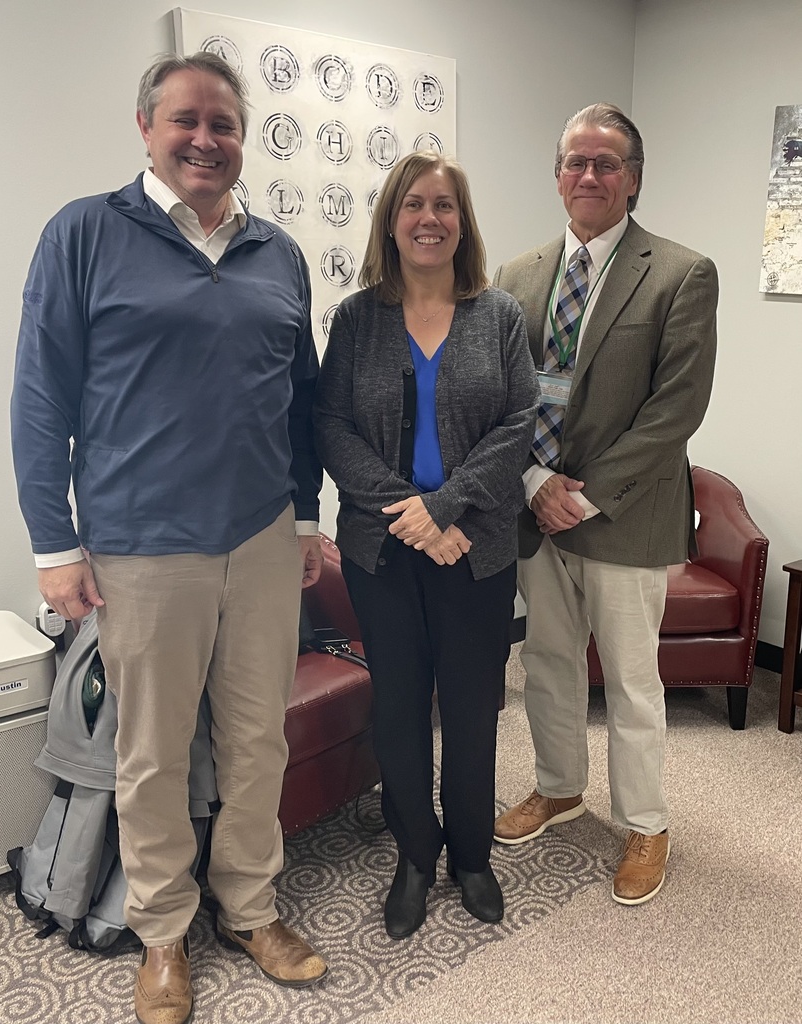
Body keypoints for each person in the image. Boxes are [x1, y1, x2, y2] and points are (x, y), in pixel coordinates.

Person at [11, 52, 327, 1024]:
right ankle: (160, 934)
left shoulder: (277, 251)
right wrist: (53, 545)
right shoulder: (84, 233)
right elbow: (40, 396)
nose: (205, 139)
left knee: (254, 740)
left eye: (223, 124)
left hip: (265, 538)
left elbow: (301, 401)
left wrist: (309, 515)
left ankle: (251, 906)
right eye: (186, 119)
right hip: (142, 548)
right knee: (148, 755)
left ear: (241, 139)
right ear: (145, 126)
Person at [492, 103, 718, 905]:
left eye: (607, 163)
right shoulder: (516, 276)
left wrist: (581, 497)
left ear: (633, 178)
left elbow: (675, 411)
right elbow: (501, 397)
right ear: (557, 176)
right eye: (576, 162)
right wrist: (531, 483)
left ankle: (647, 823)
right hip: (534, 510)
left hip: (623, 515)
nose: (589, 175)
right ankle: (559, 788)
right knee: (548, 664)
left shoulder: (682, 273)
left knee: (629, 679)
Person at [314, 151, 539, 938]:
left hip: (475, 547)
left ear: (462, 221)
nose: (429, 219)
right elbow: (331, 426)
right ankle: (416, 853)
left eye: (444, 205)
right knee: (401, 707)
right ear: (391, 219)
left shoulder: (500, 315)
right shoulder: (355, 320)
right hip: (382, 551)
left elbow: (520, 426)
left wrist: (444, 510)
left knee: (475, 708)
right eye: (414, 204)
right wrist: (407, 513)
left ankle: (472, 855)